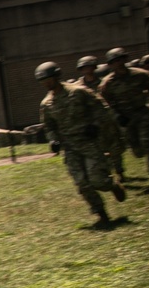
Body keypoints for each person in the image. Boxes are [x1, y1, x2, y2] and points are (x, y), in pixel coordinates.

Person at [36, 62, 127, 229]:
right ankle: (102, 214)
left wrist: (96, 125)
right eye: (43, 81)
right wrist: (52, 140)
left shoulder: (78, 92)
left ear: (57, 76)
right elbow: (49, 126)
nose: (46, 83)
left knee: (97, 181)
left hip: (89, 142)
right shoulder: (46, 103)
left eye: (48, 79)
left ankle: (112, 185)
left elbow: (101, 108)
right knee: (82, 183)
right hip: (70, 147)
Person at [99, 47, 149, 191]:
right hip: (126, 119)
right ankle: (139, 151)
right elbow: (105, 103)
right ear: (110, 65)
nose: (118, 64)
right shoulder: (107, 84)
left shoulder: (140, 74)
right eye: (114, 62)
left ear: (125, 59)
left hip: (142, 114)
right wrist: (117, 115)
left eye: (120, 60)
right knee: (138, 151)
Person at [74, 55, 126, 180]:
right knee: (99, 150)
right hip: (91, 125)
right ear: (81, 69)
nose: (88, 70)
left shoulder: (104, 83)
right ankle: (107, 174)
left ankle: (120, 172)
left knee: (115, 148)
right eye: (85, 68)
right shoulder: (76, 87)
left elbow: (111, 101)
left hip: (107, 120)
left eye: (90, 67)